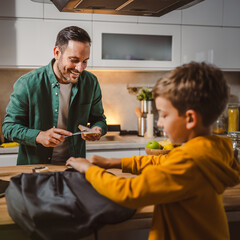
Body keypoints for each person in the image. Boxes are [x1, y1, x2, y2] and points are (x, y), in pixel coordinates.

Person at [66, 62, 240, 240]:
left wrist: (89, 169)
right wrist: (113, 162)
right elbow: (162, 162)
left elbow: (129, 192)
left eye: (164, 115)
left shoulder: (190, 161)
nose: (159, 123)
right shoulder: (210, 149)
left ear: (189, 118)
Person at [2, 26, 107, 165]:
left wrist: (97, 129)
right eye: (74, 60)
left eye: (85, 61)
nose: (80, 68)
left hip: (73, 168)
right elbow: (9, 127)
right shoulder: (27, 83)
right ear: (57, 52)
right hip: (36, 170)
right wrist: (39, 136)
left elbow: (99, 119)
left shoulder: (91, 82)